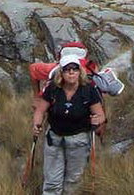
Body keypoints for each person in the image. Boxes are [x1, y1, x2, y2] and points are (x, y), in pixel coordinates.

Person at [33, 54, 106, 195]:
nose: (71, 72)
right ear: (61, 72)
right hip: (54, 139)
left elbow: (101, 115)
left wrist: (97, 120)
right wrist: (36, 124)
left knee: (73, 182)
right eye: (67, 69)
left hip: (78, 141)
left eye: (75, 69)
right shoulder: (53, 89)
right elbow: (40, 110)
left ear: (80, 71)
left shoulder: (88, 90)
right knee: (52, 182)